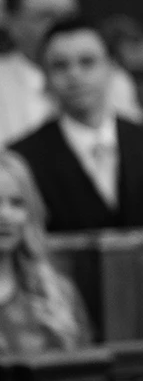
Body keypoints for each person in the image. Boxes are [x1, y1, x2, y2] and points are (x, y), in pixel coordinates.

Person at [11, 18, 143, 232]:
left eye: (87, 62)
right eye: (60, 65)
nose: (74, 75)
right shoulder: (23, 159)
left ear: (112, 66)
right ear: (45, 76)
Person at [0, 0, 143, 146]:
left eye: (68, 15)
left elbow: (138, 149)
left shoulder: (111, 76)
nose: (60, 25)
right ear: (13, 23)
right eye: (46, 16)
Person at [0, 149, 93, 353]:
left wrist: (66, 342)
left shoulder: (57, 292)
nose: (5, 215)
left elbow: (85, 371)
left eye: (17, 203)